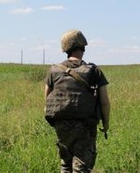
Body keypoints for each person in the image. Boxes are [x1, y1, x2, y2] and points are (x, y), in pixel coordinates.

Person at [44, 29, 110, 173]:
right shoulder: (93, 70)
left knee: (66, 163)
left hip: (61, 124)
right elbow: (104, 101)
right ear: (83, 47)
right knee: (82, 166)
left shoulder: (54, 70)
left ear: (65, 49)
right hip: (85, 124)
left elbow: (47, 98)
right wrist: (106, 123)